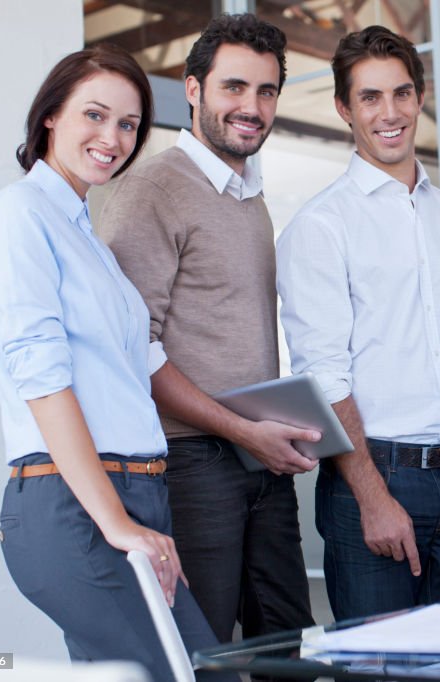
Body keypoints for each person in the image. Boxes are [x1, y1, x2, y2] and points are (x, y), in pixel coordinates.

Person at [0, 45, 234, 681]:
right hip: (72, 502)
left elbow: (136, 368)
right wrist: (116, 522)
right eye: (95, 115)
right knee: (194, 672)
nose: (112, 137)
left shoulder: (87, 236)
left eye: (128, 124)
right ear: (51, 118)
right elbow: (43, 382)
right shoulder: (21, 214)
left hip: (135, 492)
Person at [99, 14, 318, 646]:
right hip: (191, 465)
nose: (251, 107)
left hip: (259, 457)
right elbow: (134, 349)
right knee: (208, 651)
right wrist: (244, 431)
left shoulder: (248, 192)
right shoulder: (150, 190)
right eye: (234, 88)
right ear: (193, 90)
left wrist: (262, 434)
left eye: (267, 91)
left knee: (288, 644)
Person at [277, 25, 440, 622]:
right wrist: (373, 497)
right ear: (343, 108)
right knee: (385, 666)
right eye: (370, 97)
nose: (390, 112)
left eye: (402, 94)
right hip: (373, 480)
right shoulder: (321, 227)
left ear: (420, 98)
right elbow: (325, 380)